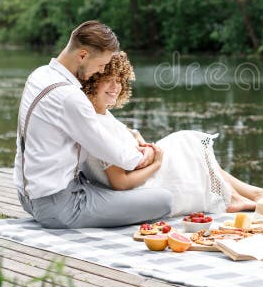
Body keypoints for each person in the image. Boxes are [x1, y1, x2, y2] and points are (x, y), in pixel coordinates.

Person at [14, 20, 173, 228]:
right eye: (100, 65)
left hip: (27, 195)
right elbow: (119, 156)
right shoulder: (69, 97)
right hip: (59, 206)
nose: (100, 71)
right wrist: (150, 154)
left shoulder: (39, 75)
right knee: (164, 200)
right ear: (82, 55)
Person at [80, 51, 263, 215]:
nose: (116, 87)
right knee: (187, 143)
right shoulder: (94, 125)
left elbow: (129, 135)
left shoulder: (101, 114)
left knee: (190, 146)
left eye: (119, 80)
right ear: (91, 82)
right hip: (142, 185)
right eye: (108, 80)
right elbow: (120, 183)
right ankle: (239, 198)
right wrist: (156, 163)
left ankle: (251, 195)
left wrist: (143, 145)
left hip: (142, 169)